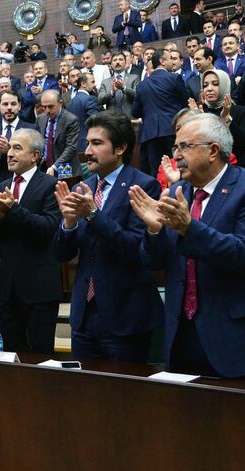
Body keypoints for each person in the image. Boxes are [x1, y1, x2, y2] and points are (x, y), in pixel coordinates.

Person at [130, 113, 245, 377]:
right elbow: (152, 262)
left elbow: (243, 254)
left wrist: (187, 228)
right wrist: (154, 230)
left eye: (184, 146)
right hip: (183, 337)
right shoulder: (178, 193)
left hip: (239, 341)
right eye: (175, 147)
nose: (176, 155)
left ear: (213, 150)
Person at [54, 111, 162, 361]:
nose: (87, 151)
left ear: (121, 147)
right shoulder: (84, 187)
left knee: (124, 398)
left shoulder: (143, 186)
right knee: (87, 395)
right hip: (84, 316)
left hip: (125, 315)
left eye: (97, 143)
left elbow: (137, 250)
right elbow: (61, 254)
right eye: (87, 143)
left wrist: (93, 215)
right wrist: (69, 224)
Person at [0, 128, 61, 353]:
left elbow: (47, 229)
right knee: (11, 355)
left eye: (17, 148)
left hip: (40, 287)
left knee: (41, 355)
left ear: (35, 156)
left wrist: (13, 210)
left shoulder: (50, 185)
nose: (10, 153)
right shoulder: (0, 187)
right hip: (8, 287)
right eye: (10, 148)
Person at [132, 50, 187, 177]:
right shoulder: (174, 78)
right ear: (162, 61)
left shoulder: (142, 85)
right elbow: (185, 103)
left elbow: (135, 112)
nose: (172, 62)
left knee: (156, 173)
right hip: (172, 131)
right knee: (177, 169)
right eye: (169, 59)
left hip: (150, 135)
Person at [193, 69, 245, 167]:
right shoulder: (200, 112)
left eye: (215, 84)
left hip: (236, 168)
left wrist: (227, 119)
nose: (209, 89)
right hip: (206, 169)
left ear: (225, 86)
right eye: (205, 85)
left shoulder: (241, 111)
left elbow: (244, 143)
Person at [0, 91, 37, 185]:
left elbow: (37, 158)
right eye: (5, 104)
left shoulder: (31, 129)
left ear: (19, 106)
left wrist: (9, 150)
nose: (9, 108)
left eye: (13, 104)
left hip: (27, 183)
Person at [36, 89, 81, 177]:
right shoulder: (40, 119)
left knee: (64, 188)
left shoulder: (70, 120)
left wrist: (54, 167)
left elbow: (71, 148)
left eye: (51, 106)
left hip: (65, 165)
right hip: (44, 166)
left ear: (60, 103)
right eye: (44, 107)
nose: (47, 111)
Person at [97, 52, 141, 118]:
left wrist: (124, 88)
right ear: (111, 64)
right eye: (115, 60)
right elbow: (100, 100)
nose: (117, 62)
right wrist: (112, 92)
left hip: (130, 119)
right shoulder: (105, 82)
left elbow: (138, 95)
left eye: (120, 59)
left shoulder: (134, 78)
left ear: (125, 63)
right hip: (112, 121)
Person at [66, 73, 100, 152]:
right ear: (83, 84)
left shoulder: (70, 103)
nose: (94, 85)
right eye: (92, 82)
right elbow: (97, 121)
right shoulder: (90, 99)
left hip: (74, 145)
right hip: (89, 144)